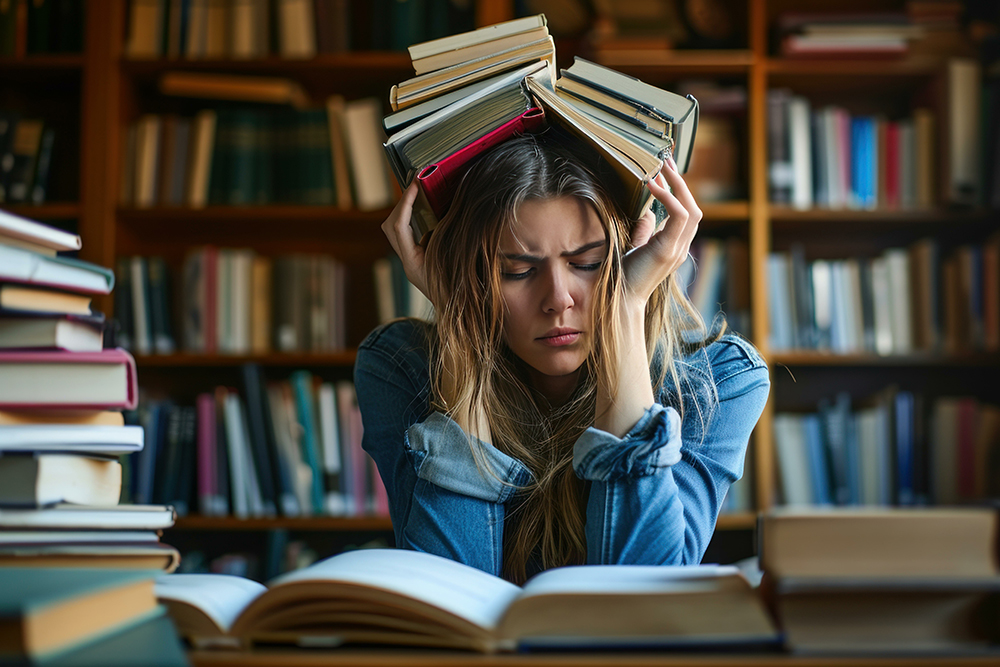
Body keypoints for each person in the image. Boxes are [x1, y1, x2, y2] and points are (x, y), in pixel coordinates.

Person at [355, 132, 769, 585]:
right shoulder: (398, 366)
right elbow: (448, 603)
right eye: (517, 271)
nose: (557, 299)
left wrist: (626, 308)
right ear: (472, 276)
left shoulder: (722, 379)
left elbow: (644, 598)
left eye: (588, 264)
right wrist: (461, 322)